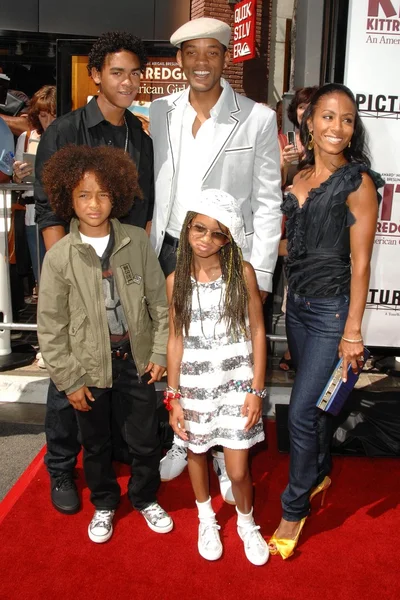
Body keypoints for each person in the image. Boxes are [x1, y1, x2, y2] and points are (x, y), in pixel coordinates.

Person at [150, 17, 282, 488]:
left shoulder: (257, 117)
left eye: (211, 52)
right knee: (181, 349)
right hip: (171, 247)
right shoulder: (161, 109)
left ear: (226, 58)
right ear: (179, 60)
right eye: (192, 53)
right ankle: (185, 437)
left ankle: (231, 446)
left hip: (228, 253)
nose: (201, 62)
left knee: (232, 353)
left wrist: (262, 273)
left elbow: (268, 201)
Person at [34, 31, 155, 515]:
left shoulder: (139, 137)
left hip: (122, 266)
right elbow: (48, 210)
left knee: (119, 368)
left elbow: (141, 209)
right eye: (117, 72)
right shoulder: (65, 130)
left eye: (135, 73)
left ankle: (117, 451)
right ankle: (62, 466)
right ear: (97, 75)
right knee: (70, 373)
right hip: (74, 265)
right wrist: (62, 271)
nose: (128, 82)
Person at [268, 83, 383, 559]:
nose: (338, 127)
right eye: (329, 117)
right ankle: (317, 473)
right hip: (297, 307)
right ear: (309, 122)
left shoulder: (358, 183)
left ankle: (293, 509)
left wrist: (353, 331)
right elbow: (291, 249)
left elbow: (361, 264)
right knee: (312, 407)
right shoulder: (297, 177)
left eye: (348, 119)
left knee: (302, 412)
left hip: (333, 312)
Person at [37, 145, 172, 543]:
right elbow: (51, 326)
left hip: (137, 361)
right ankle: (104, 503)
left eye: (102, 193)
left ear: (117, 194)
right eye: (83, 194)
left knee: (145, 440)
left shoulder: (135, 241)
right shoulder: (59, 257)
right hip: (87, 367)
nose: (94, 204)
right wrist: (69, 378)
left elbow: (159, 305)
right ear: (68, 199)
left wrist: (160, 352)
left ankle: (145, 498)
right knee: (94, 443)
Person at [165, 189, 269, 566]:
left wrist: (257, 389)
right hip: (194, 388)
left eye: (217, 233)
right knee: (197, 452)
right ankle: (206, 517)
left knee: (239, 469)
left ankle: (246, 521)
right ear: (187, 228)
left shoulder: (241, 274)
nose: (206, 239)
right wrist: (173, 395)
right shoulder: (176, 280)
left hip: (237, 384)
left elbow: (258, 331)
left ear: (229, 239)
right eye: (199, 228)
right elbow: (175, 339)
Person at [278, 87, 317, 371]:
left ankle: (300, 351)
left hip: (313, 226)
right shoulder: (283, 140)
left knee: (305, 286)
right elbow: (274, 181)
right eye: (301, 107)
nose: (305, 112)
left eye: (311, 106)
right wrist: (285, 164)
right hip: (284, 223)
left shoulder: (325, 141)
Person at [13, 85, 56, 292]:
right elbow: (16, 178)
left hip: (61, 213)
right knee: (42, 276)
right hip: (34, 214)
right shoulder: (27, 138)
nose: (48, 122)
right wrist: (18, 174)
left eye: (53, 115)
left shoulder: (68, 136)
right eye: (44, 115)